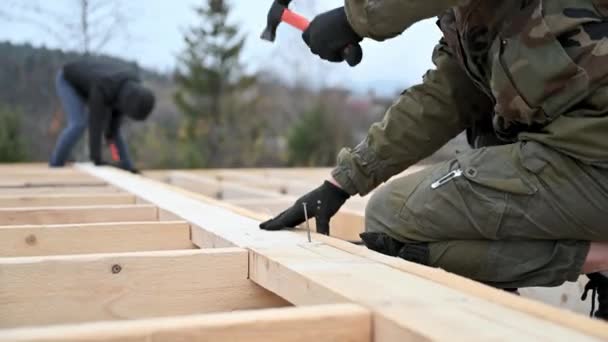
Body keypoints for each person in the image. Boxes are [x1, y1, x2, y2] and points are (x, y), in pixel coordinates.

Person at [260, 0, 608, 320]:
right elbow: (443, 97)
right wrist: (341, 183)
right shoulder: (476, 21)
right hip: (576, 161)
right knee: (406, 231)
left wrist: (354, 19)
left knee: (391, 218)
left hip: (592, 161)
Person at [50, 58, 155, 172]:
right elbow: (95, 125)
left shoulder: (128, 92)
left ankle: (126, 164)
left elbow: (111, 133)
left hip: (91, 82)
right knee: (78, 123)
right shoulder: (102, 88)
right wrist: (97, 159)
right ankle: (56, 163)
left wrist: (126, 165)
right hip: (67, 79)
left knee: (114, 132)